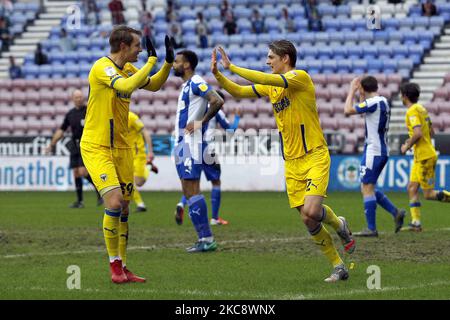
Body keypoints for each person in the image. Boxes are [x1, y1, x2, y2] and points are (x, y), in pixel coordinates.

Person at [211, 41, 355, 282]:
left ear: (285, 58)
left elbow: (263, 79)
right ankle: (338, 266)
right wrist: (218, 75)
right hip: (291, 160)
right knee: (307, 217)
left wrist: (231, 66)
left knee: (311, 210)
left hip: (315, 155)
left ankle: (340, 225)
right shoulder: (272, 88)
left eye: (271, 57)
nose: (268, 62)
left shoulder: (300, 78)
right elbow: (238, 92)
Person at [80, 25, 174, 284]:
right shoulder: (102, 67)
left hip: (121, 147)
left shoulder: (129, 68)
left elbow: (153, 85)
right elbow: (124, 84)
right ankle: (114, 269)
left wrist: (166, 63)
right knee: (113, 202)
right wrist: (151, 61)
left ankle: (123, 266)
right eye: (137, 46)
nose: (140, 50)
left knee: (124, 209)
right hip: (97, 145)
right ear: (123, 46)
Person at [172, 50, 224, 252]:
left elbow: (217, 100)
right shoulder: (186, 85)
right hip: (181, 144)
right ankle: (203, 238)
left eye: (176, 62)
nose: (173, 65)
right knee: (187, 190)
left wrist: (202, 121)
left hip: (191, 144)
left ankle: (206, 238)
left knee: (193, 188)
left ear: (186, 65)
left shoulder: (196, 81)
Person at [344, 76, 406, 237]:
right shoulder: (382, 101)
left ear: (363, 89)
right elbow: (366, 112)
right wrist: (362, 94)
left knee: (367, 188)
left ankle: (371, 229)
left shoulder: (373, 103)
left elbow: (348, 110)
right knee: (366, 187)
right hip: (380, 149)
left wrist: (352, 90)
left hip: (374, 150)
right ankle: (395, 212)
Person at [174, 90, 241, 226]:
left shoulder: (198, 109)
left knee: (193, 182)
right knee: (216, 182)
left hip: (193, 148)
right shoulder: (217, 111)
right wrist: (237, 118)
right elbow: (230, 131)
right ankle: (215, 218)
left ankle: (182, 203)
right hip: (207, 149)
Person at [400, 83, 450, 231]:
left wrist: (407, 145)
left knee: (428, 194)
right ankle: (416, 223)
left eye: (402, 95)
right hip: (420, 155)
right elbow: (431, 131)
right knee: (412, 188)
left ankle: (416, 222)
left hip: (425, 156)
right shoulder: (422, 109)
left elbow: (418, 133)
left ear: (405, 96)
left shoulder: (412, 111)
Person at [45, 90, 102, 208]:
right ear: (73, 99)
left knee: (83, 171)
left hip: (86, 144)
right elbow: (62, 130)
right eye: (76, 97)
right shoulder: (70, 114)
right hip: (74, 145)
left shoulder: (89, 111)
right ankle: (80, 201)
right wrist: (52, 144)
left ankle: (99, 190)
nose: (79, 99)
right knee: (76, 173)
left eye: (81, 97)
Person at [128, 111, 158, 213]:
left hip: (138, 154)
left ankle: (148, 166)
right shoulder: (114, 119)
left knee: (139, 182)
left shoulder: (131, 117)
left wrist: (150, 151)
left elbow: (145, 132)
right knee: (128, 181)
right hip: (125, 155)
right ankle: (140, 204)